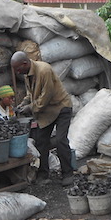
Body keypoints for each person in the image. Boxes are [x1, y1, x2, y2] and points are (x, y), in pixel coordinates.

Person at [10, 51, 74, 186]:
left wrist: (30, 108)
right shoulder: (27, 74)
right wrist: (23, 104)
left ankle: (68, 173)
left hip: (61, 107)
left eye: (17, 68)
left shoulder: (44, 70)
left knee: (61, 140)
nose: (17, 72)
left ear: (25, 63)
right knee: (41, 142)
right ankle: (43, 174)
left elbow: (46, 97)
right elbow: (30, 94)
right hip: (47, 112)